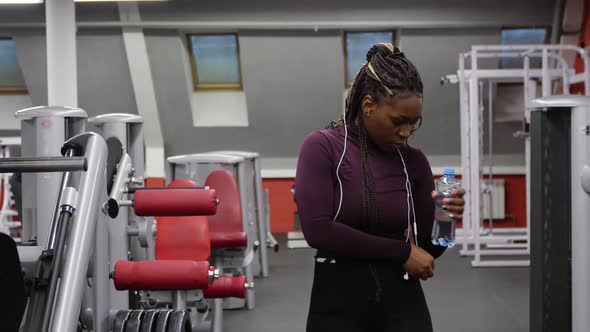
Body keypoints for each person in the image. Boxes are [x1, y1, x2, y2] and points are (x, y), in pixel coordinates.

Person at [294, 43, 465, 332]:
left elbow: (427, 251)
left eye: (414, 122)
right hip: (338, 303)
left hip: (402, 303)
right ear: (369, 105)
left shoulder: (413, 160)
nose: (406, 131)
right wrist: (401, 252)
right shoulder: (323, 147)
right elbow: (318, 230)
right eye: (399, 121)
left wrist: (445, 218)